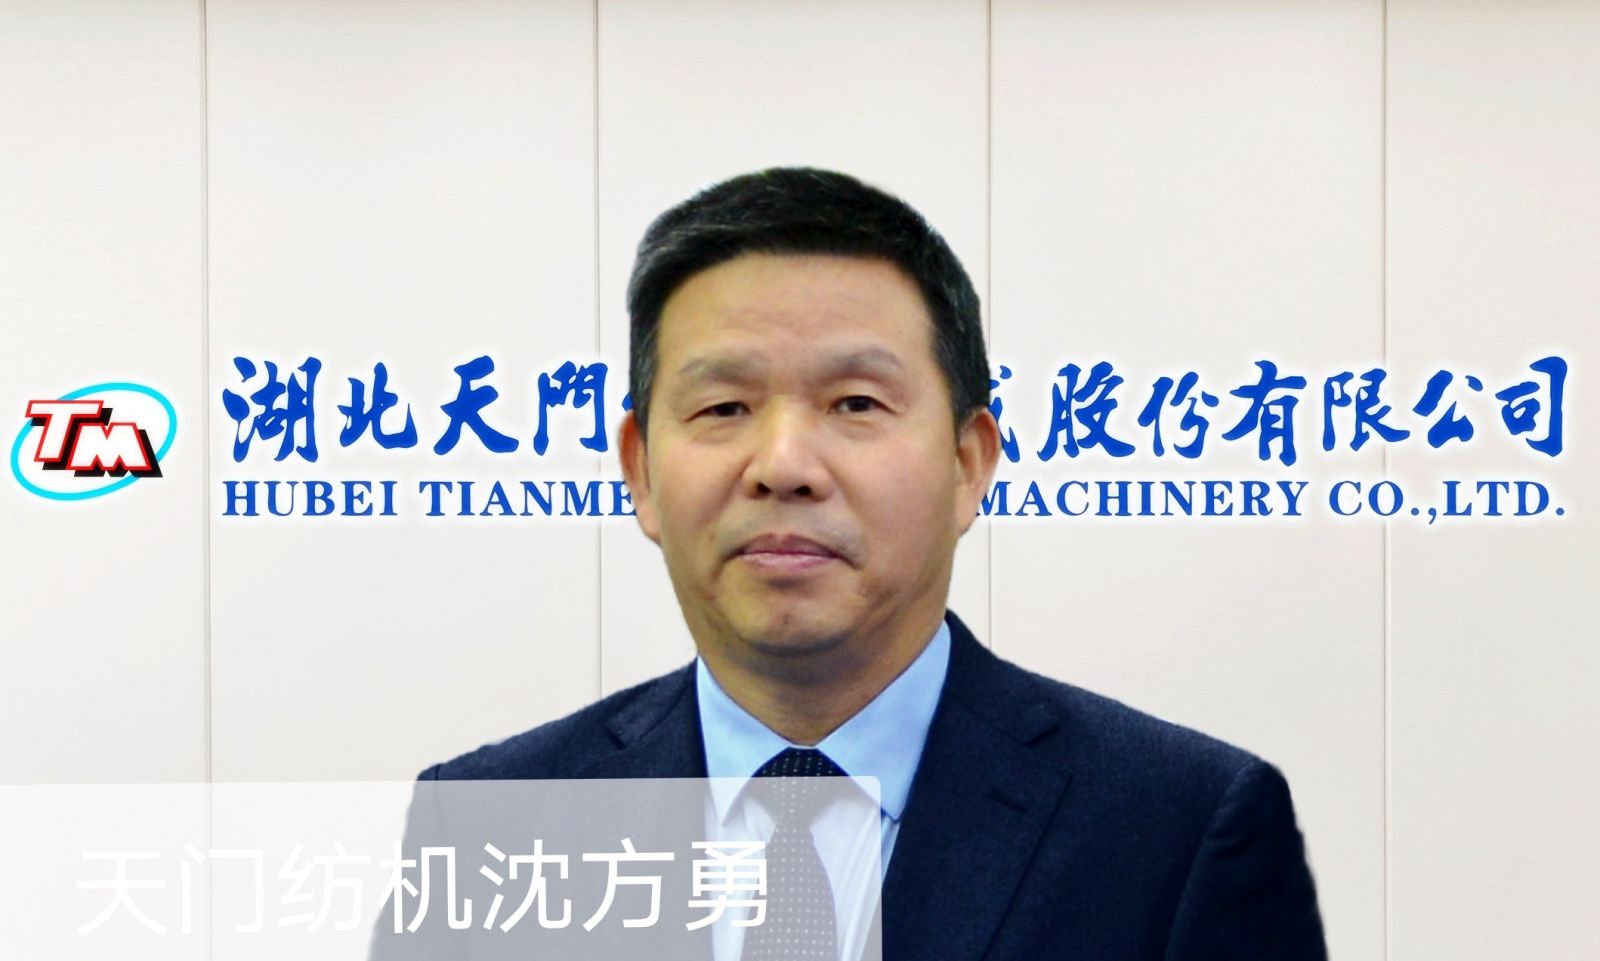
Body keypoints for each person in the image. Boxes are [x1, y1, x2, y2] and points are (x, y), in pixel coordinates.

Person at [418, 168, 1328, 960]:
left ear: (967, 463)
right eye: (724, 407)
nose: (784, 465)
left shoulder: (1181, 828)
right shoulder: (487, 823)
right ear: (642, 471)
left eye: (855, 402)